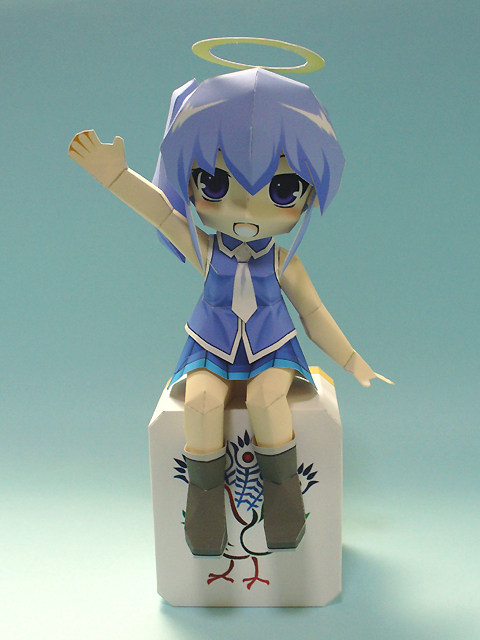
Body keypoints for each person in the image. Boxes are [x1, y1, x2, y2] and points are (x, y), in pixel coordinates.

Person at [69, 67, 391, 557]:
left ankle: (285, 508)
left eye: (282, 190)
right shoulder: (208, 252)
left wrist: (351, 360)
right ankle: (202, 509)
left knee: (266, 399)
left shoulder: (283, 263)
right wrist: (116, 176)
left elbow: (313, 313)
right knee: (200, 404)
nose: (244, 210)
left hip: (272, 350)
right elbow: (162, 213)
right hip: (211, 347)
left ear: (306, 197)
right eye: (215, 183)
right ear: (192, 183)